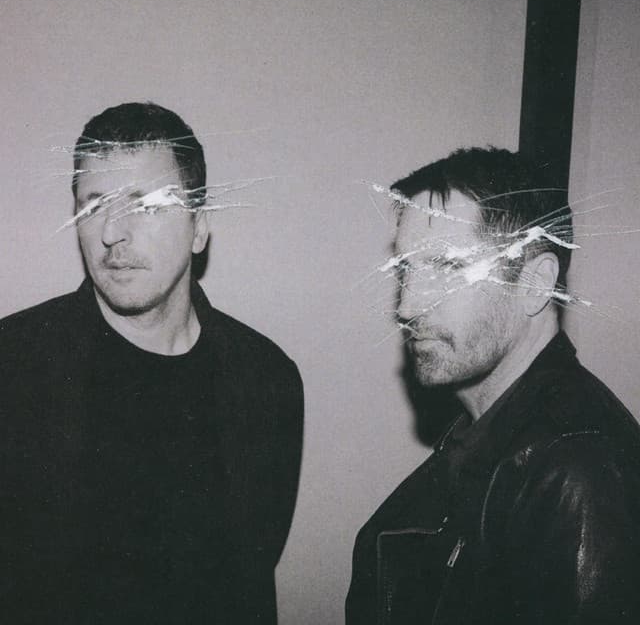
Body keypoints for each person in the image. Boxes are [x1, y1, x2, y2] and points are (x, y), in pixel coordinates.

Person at [0, 102, 303, 624]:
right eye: (94, 205)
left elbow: (250, 574)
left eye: (146, 205)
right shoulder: (13, 364)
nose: (112, 232)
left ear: (199, 228)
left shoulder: (266, 379)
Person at [346, 147, 640, 624]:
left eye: (447, 267)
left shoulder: (576, 470)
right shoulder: (486, 437)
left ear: (535, 284)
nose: (407, 307)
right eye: (406, 270)